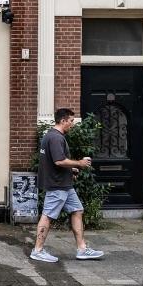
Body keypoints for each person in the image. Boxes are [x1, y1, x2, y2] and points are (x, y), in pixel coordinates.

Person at [30, 108, 104, 263]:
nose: (72, 124)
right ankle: (37, 250)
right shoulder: (56, 138)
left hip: (64, 184)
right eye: (71, 121)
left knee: (77, 210)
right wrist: (80, 163)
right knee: (48, 216)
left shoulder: (50, 136)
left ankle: (82, 249)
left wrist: (72, 169)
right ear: (63, 121)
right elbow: (59, 161)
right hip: (57, 185)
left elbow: (57, 162)